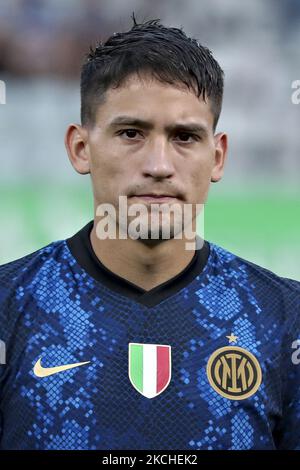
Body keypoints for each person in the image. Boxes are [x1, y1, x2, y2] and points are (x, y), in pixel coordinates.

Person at [0, 15, 299, 451]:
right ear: (80, 148)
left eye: (184, 137)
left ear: (217, 157)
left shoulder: (285, 319)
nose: (159, 165)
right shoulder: (9, 309)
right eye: (131, 133)